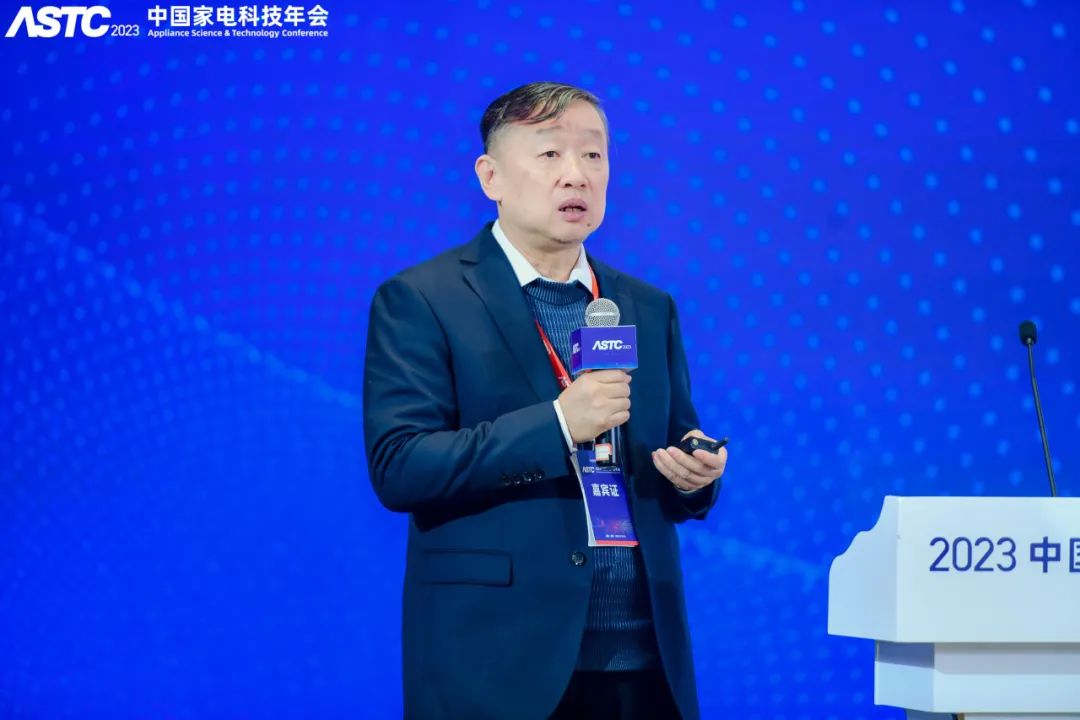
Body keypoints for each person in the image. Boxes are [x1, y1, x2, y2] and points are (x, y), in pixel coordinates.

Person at [364, 81, 728, 720]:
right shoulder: (423, 299)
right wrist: (558, 425)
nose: (576, 175)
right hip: (498, 663)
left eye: (593, 155)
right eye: (550, 154)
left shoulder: (646, 306)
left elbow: (670, 445)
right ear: (491, 177)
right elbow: (401, 466)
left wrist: (693, 475)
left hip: (643, 661)